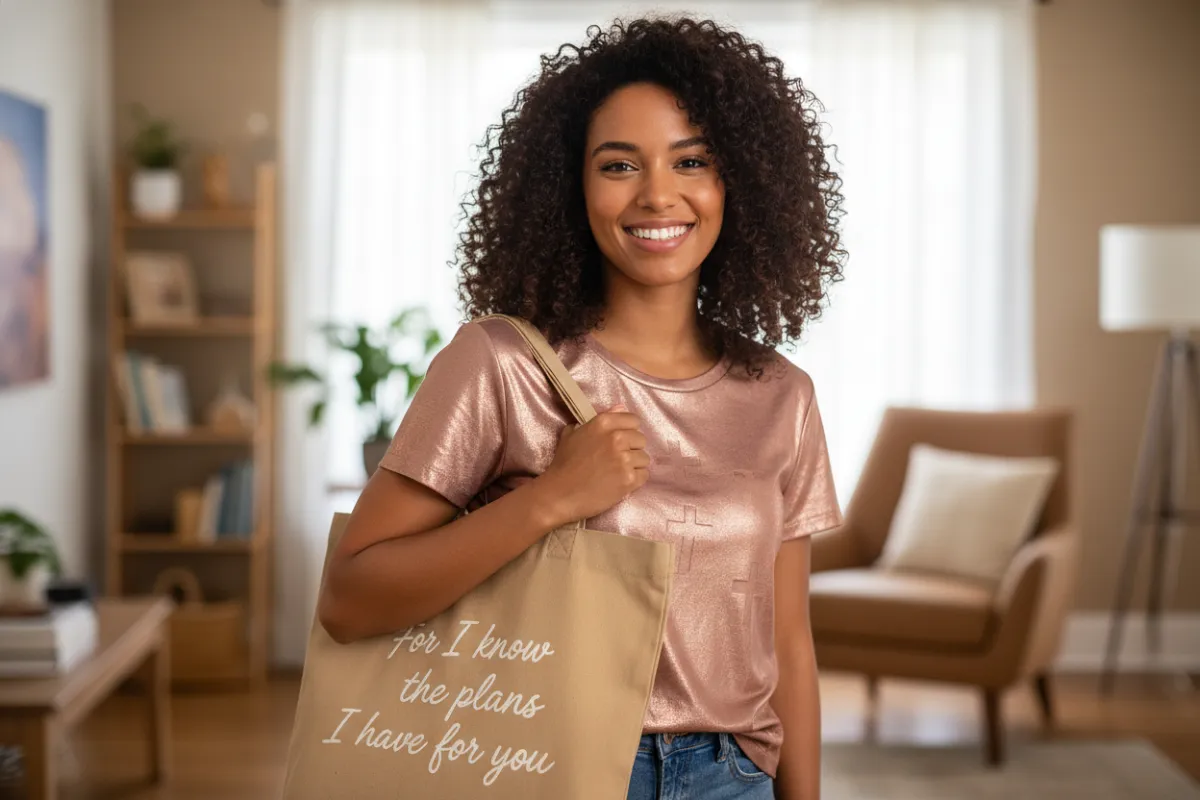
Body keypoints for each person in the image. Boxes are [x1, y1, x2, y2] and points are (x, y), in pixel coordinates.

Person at [319, 15, 846, 800]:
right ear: (573, 185)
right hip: (550, 766)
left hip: (734, 778)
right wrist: (551, 501)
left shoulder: (783, 396)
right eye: (619, 164)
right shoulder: (501, 365)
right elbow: (348, 600)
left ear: (739, 182)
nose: (658, 194)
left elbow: (790, 644)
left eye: (691, 160)